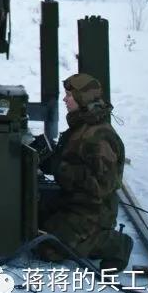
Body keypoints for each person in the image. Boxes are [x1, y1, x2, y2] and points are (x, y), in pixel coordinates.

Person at [35, 73, 132, 270]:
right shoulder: (82, 126)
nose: (65, 99)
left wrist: (60, 169)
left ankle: (114, 243)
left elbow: (102, 187)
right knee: (30, 219)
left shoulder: (100, 137)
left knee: (48, 249)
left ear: (83, 99)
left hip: (93, 211)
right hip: (72, 200)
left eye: (69, 95)